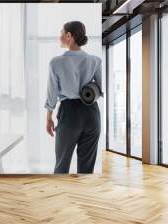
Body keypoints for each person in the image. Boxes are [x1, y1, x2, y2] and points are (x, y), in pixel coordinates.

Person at [44, 21, 102, 174]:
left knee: (61, 166)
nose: (60, 36)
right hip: (92, 114)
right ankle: (83, 197)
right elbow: (102, 89)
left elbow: (52, 94)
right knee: (86, 169)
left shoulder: (56, 62)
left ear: (69, 36)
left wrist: (49, 117)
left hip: (69, 114)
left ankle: (60, 197)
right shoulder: (95, 61)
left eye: (61, 33)